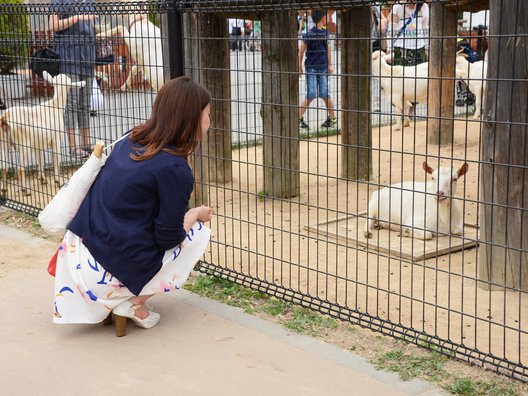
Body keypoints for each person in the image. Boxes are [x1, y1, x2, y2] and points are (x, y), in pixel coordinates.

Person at [52, 77, 214, 334]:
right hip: (102, 279)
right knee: (198, 232)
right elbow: (168, 238)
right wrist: (195, 213)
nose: (209, 122)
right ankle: (131, 303)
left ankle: (116, 299)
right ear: (192, 118)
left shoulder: (131, 137)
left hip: (74, 259)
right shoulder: (175, 168)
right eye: (207, 114)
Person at [49, 0, 97, 158]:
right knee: (72, 103)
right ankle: (73, 147)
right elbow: (53, 26)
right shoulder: (58, 1)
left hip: (88, 59)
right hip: (68, 58)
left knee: (85, 103)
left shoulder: (90, 2)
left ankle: (87, 145)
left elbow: (94, 26)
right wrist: (76, 18)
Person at [298, 9, 336, 130]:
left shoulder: (325, 33)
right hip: (311, 68)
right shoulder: (309, 33)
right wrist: (299, 66)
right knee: (311, 94)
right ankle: (298, 118)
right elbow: (301, 50)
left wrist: (330, 64)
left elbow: (328, 49)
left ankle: (332, 119)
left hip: (323, 67)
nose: (328, 17)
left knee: (325, 93)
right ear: (322, 18)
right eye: (326, 16)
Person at [389, 0, 429, 66]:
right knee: (400, 75)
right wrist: (390, 48)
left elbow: (425, 28)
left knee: (418, 75)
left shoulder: (424, 7)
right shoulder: (397, 7)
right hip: (400, 48)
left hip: (419, 47)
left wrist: (427, 48)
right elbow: (391, 28)